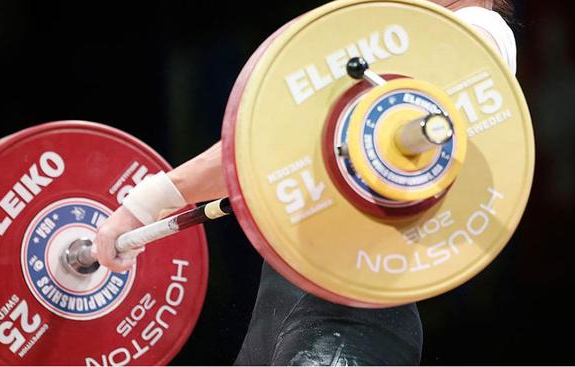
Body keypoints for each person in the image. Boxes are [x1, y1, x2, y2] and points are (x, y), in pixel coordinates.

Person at [93, 0, 517, 364]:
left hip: (349, 321)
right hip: (283, 304)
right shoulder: (389, 40)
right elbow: (259, 149)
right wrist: (143, 207)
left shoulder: (478, 32)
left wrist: (144, 203)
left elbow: (269, 147)